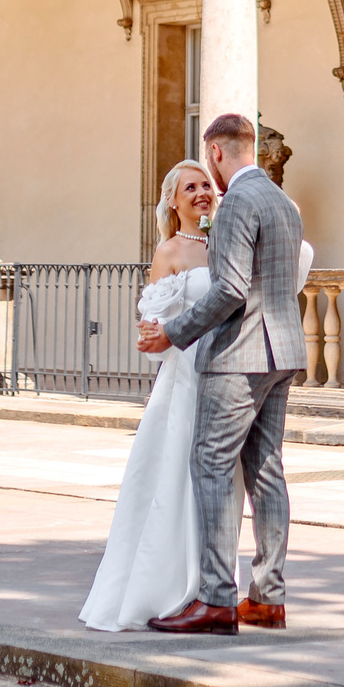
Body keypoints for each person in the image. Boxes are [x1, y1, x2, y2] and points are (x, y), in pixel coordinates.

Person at [136, 112, 309, 636]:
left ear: (215, 151)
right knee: (267, 472)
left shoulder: (236, 202)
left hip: (238, 355)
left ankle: (215, 600)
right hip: (283, 352)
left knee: (211, 466)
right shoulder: (284, 202)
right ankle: (269, 598)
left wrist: (173, 333)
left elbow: (230, 288)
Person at [76, 159, 218, 631]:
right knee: (173, 477)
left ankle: (210, 586)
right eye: (190, 187)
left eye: (206, 185)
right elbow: (152, 329)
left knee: (214, 483)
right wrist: (155, 334)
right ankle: (167, 587)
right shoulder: (170, 251)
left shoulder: (227, 243)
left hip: (225, 375)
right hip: (186, 380)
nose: (201, 193)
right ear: (173, 201)